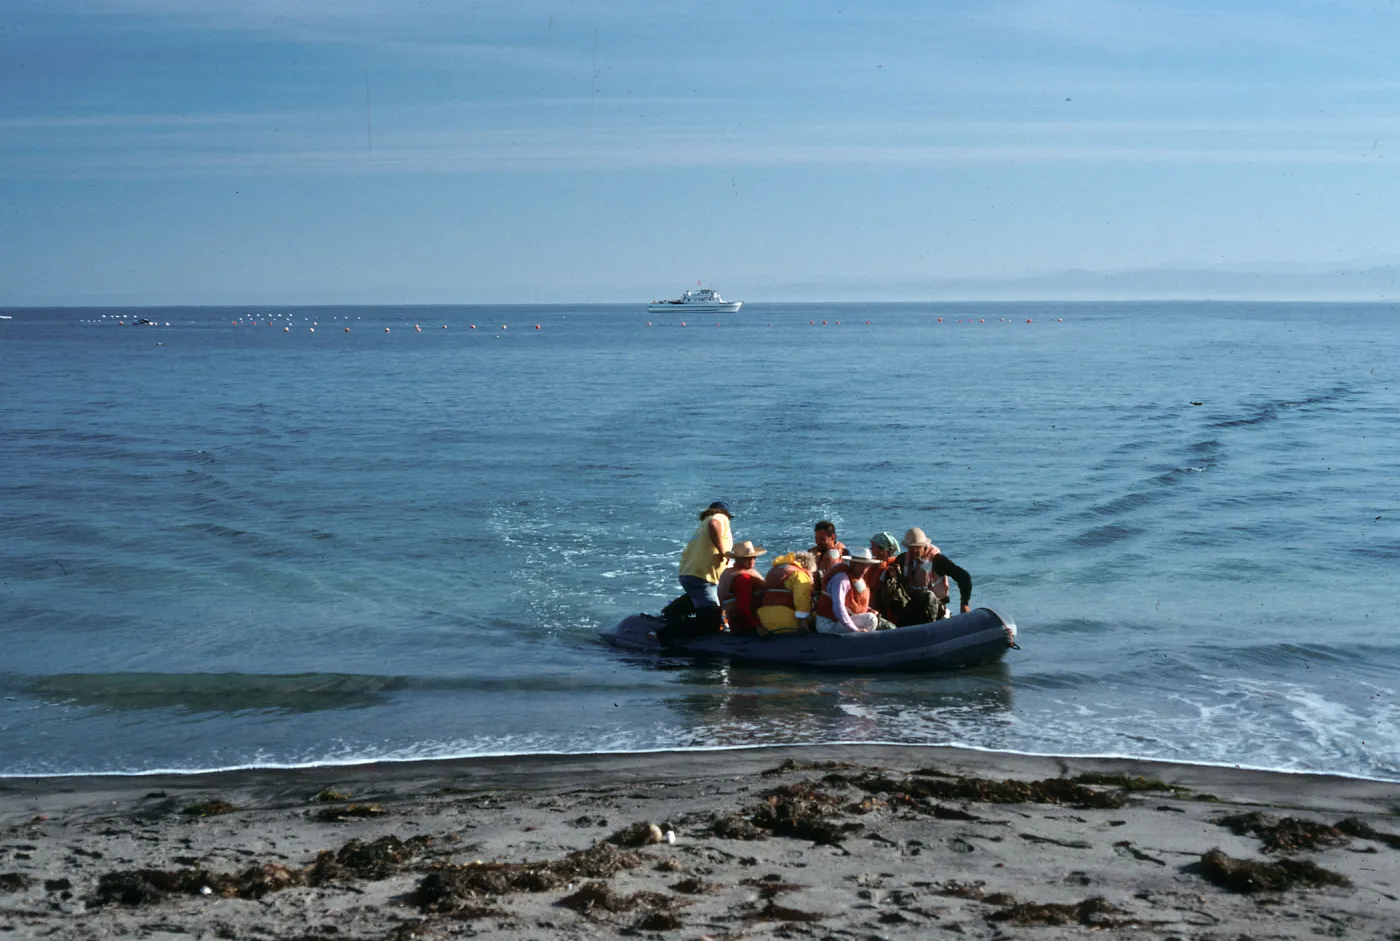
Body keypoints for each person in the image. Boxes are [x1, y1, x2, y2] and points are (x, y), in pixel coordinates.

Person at [664, 501, 734, 641]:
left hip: (690, 573)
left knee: (699, 597)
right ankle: (665, 635)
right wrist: (723, 552)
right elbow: (714, 524)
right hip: (702, 576)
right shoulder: (719, 517)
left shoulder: (701, 526)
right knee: (711, 619)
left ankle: (671, 611)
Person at [895, 527, 972, 625]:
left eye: (917, 547)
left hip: (934, 608)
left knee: (927, 597)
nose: (914, 550)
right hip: (912, 606)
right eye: (911, 547)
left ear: (924, 545)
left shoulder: (937, 560)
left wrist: (964, 604)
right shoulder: (902, 560)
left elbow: (964, 577)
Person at [813, 547, 882, 634]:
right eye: (860, 565)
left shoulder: (853, 577)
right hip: (827, 624)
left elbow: (850, 604)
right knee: (871, 620)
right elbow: (838, 607)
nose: (864, 569)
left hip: (836, 621)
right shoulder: (841, 579)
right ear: (852, 563)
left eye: (867, 566)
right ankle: (859, 642)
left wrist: (868, 609)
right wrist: (855, 630)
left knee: (872, 616)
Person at [756, 550, 817, 635]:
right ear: (808, 566)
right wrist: (803, 623)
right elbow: (801, 598)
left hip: (764, 620)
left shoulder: (773, 571)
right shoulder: (800, 574)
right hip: (786, 622)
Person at [719, 541, 767, 634]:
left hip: (736, 621)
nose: (752, 560)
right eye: (747, 558)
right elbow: (743, 606)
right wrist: (756, 625)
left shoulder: (729, 572)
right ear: (738, 559)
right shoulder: (742, 578)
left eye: (754, 557)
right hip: (745, 625)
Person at [865, 531, 904, 620]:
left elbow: (873, 585)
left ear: (883, 550)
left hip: (880, 608)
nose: (871, 549)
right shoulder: (876, 563)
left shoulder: (886, 567)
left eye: (873, 547)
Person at [808, 520, 846, 589]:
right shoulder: (814, 551)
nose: (818, 542)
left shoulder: (840, 554)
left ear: (832, 538)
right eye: (816, 539)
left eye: (822, 539)